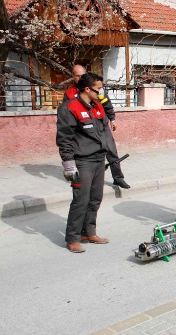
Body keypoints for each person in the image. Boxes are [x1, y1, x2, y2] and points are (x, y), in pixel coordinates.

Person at [57, 72, 111, 253]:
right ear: (87, 89)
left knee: (95, 198)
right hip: (82, 161)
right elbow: (64, 138)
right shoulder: (70, 108)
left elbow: (103, 131)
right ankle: (72, 238)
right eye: (98, 89)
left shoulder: (97, 106)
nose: (101, 93)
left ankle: (89, 232)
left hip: (98, 158)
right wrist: (68, 164)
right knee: (81, 199)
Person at [64, 64, 130, 189]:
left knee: (111, 151)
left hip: (101, 126)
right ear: (73, 76)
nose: (80, 78)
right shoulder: (69, 93)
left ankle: (118, 178)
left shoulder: (95, 89)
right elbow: (66, 115)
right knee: (83, 155)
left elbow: (106, 103)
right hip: (83, 130)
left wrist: (112, 119)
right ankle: (79, 180)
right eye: (77, 76)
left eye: (82, 75)